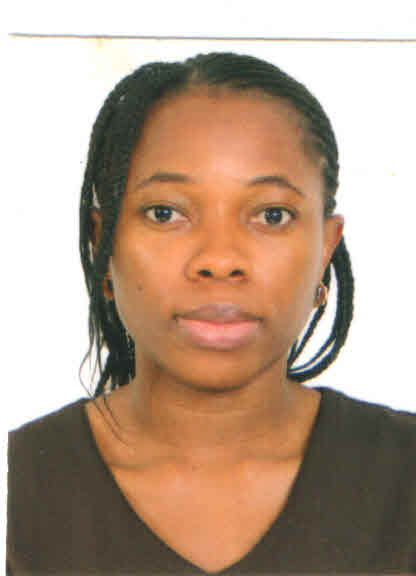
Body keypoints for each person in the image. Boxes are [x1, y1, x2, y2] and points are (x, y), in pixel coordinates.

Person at [7, 52, 416, 574]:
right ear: (103, 245)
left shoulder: (403, 475)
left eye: (272, 215)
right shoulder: (19, 482)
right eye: (165, 213)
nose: (220, 260)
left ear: (325, 249)